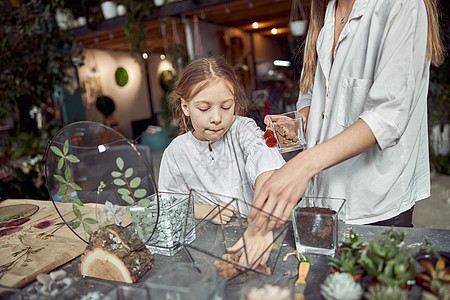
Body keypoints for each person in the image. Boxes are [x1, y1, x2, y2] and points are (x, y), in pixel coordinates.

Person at [249, 0, 445, 232]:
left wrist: (301, 166)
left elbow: (387, 118)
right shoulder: (327, 12)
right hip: (322, 197)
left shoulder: (401, 5)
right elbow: (316, 98)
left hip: (374, 204)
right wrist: (298, 122)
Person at [158, 56, 286, 268]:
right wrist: (204, 210)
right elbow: (168, 206)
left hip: (255, 234)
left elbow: (268, 166)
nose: (217, 118)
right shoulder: (176, 152)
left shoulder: (242, 129)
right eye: (204, 108)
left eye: (226, 107)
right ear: (186, 107)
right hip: (207, 248)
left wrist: (260, 225)